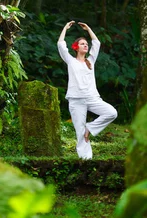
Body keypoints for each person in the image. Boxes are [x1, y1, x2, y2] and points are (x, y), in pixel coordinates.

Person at [57, 21, 117, 160]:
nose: (86, 45)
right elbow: (61, 45)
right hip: (76, 100)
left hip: (92, 98)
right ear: (76, 47)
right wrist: (65, 28)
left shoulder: (91, 61)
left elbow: (96, 43)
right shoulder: (71, 61)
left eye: (86, 44)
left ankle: (90, 128)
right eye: (83, 44)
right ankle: (86, 160)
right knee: (80, 133)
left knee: (111, 113)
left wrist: (89, 29)